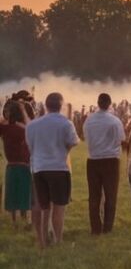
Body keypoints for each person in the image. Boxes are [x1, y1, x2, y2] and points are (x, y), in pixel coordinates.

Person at [24, 92, 79, 249]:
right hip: (59, 168)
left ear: (46, 106)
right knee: (59, 206)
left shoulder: (33, 125)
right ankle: (58, 240)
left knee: (42, 206)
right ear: (61, 106)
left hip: (39, 167)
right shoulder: (65, 123)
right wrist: (64, 151)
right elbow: (73, 142)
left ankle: (41, 241)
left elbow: (30, 145)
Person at [81, 92, 125, 234]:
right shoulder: (114, 121)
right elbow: (121, 139)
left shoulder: (89, 120)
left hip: (93, 159)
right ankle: (107, 226)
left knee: (94, 196)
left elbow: (86, 137)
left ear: (98, 103)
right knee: (110, 195)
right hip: (111, 160)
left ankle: (95, 227)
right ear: (109, 104)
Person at [0, 96, 37, 230]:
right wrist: (23, 109)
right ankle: (24, 218)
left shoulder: (6, 128)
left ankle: (14, 220)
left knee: (12, 193)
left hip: (11, 164)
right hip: (25, 164)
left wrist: (7, 111)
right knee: (24, 193)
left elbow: (1, 122)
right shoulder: (26, 128)